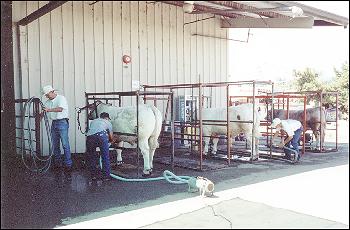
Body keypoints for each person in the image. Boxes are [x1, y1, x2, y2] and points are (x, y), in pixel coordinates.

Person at [41, 85, 73, 180]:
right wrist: (40, 115)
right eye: (46, 95)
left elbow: (60, 109)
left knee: (65, 144)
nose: (46, 96)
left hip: (62, 122)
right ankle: (58, 164)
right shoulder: (48, 102)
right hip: (54, 123)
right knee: (55, 145)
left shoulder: (61, 98)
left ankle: (68, 165)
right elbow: (44, 111)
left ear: (52, 92)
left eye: (47, 94)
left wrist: (48, 110)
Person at [85, 112, 116, 184]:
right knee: (105, 157)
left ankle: (93, 176)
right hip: (101, 136)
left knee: (92, 156)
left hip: (90, 138)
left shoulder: (93, 121)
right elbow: (111, 137)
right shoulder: (108, 122)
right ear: (106, 118)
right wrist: (112, 141)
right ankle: (106, 177)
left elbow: (92, 130)